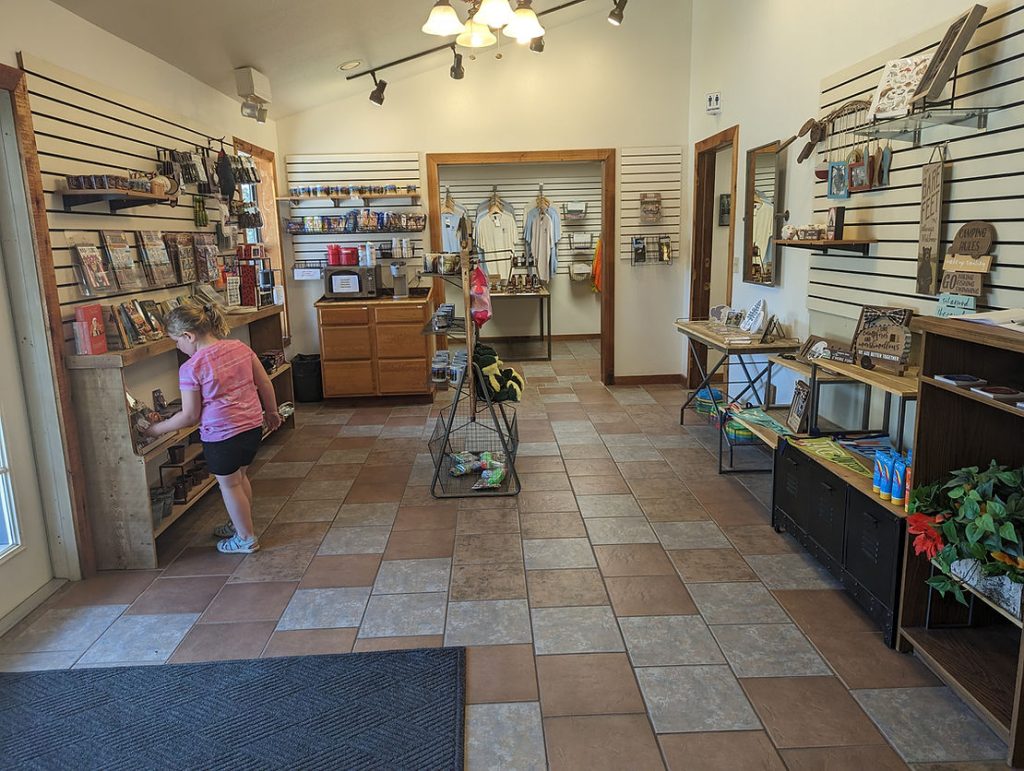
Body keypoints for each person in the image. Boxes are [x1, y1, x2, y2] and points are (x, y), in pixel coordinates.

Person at [145, 301, 282, 554]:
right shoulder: (240, 348)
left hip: (222, 435)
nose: (178, 346)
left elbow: (190, 416)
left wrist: (157, 429)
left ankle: (246, 537)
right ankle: (239, 523)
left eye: (176, 341)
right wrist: (272, 412)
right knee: (240, 478)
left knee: (229, 485)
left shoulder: (191, 368)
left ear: (189, 335)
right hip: (251, 426)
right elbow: (264, 383)